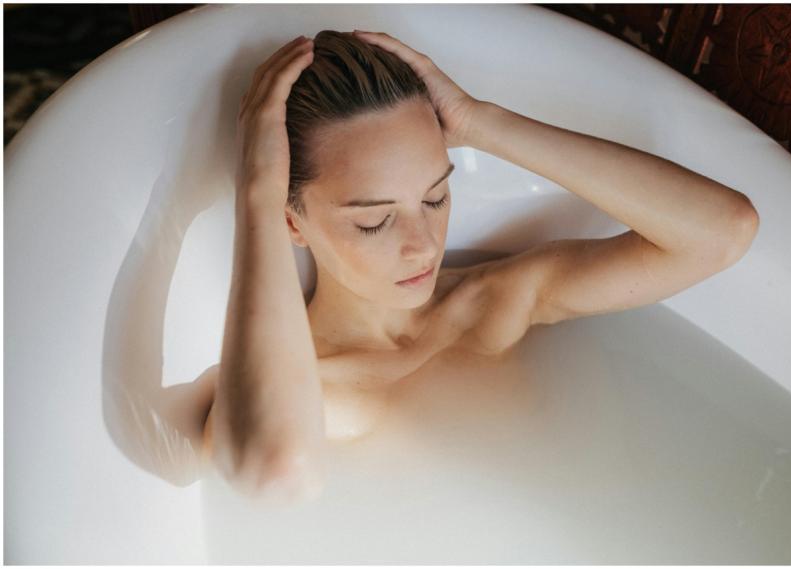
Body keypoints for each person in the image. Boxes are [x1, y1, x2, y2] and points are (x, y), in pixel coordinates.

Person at [203, 29, 760, 504]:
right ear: (292, 222)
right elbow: (272, 469)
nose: (423, 246)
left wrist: (477, 122)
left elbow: (722, 233)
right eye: (375, 221)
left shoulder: (491, 302)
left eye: (436, 197)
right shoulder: (313, 393)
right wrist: (258, 191)